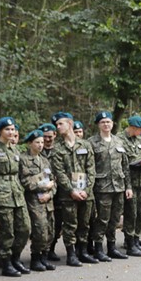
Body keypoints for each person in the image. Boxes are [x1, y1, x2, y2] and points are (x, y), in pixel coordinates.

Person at [0, 116, 32, 277]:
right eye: (7, 129)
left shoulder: (14, 149)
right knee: (7, 230)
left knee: (24, 228)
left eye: (13, 129)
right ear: (0, 131)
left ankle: (15, 257)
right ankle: (5, 261)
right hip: (0, 193)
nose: (11, 132)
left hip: (16, 192)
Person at [50, 112, 97, 266]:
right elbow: (59, 173)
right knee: (70, 225)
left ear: (69, 123)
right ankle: (71, 254)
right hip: (68, 194)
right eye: (56, 125)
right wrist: (72, 190)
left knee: (84, 223)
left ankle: (82, 252)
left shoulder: (85, 145)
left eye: (60, 124)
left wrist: (86, 190)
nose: (57, 127)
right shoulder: (58, 149)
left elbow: (91, 169)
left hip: (85, 192)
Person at [89, 111, 131, 261]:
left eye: (108, 122)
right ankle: (98, 248)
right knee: (102, 219)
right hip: (102, 187)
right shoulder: (91, 142)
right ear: (98, 125)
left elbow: (125, 166)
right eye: (103, 122)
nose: (106, 124)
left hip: (118, 186)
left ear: (112, 124)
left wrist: (128, 186)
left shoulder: (118, 141)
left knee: (115, 219)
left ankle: (112, 247)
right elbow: (89, 166)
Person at [18, 129, 57, 271]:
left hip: (48, 201)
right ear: (30, 143)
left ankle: (44, 258)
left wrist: (50, 194)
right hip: (34, 201)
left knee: (50, 230)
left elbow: (53, 181)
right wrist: (42, 186)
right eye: (37, 142)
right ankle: (35, 258)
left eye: (42, 142)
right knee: (39, 230)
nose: (40, 145)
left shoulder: (45, 160)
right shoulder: (23, 160)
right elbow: (24, 181)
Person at [120, 115, 141, 257]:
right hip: (130, 182)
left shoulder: (139, 140)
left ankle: (136, 239)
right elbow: (125, 162)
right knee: (131, 213)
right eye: (140, 129)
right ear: (133, 127)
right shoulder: (120, 140)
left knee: (140, 213)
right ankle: (129, 243)